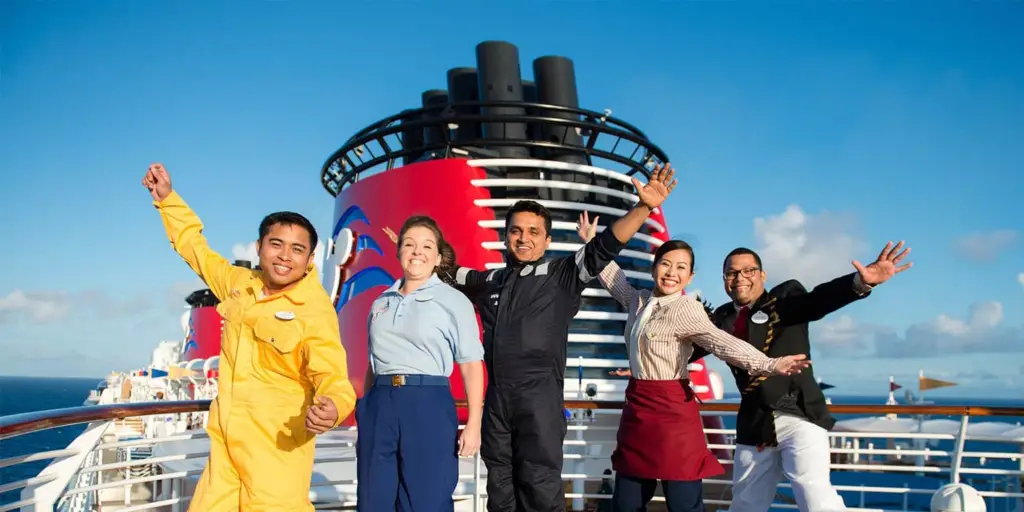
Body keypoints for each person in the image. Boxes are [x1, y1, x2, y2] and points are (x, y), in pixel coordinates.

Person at [440, 163, 678, 512]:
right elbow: (447, 273)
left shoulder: (561, 273)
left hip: (540, 400)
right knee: (500, 493)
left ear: (547, 240)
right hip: (497, 402)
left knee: (540, 489)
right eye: (516, 231)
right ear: (505, 237)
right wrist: (416, 249)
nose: (524, 238)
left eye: (533, 232)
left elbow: (604, 247)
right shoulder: (489, 280)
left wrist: (643, 207)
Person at [143, 163, 356, 511]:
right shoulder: (240, 285)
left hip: (277, 453)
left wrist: (333, 406)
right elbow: (196, 250)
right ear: (259, 247)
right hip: (225, 449)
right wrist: (167, 200)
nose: (285, 256)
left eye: (297, 249)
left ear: (309, 258)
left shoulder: (314, 310)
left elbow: (332, 374)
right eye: (276, 244)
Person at [575, 212, 811, 512]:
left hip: (673, 412)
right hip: (637, 410)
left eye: (681, 268)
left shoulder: (686, 309)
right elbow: (613, 278)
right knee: (626, 503)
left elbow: (721, 341)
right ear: (654, 267)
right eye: (665, 264)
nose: (671, 273)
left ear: (690, 277)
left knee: (683, 502)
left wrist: (768, 364)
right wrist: (592, 242)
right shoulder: (639, 301)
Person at [688, 243, 913, 512]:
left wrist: (860, 283)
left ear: (763, 275)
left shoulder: (785, 301)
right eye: (732, 273)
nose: (740, 278)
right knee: (746, 503)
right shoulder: (720, 318)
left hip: (799, 414)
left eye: (749, 271)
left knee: (814, 496)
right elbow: (688, 351)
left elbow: (818, 300)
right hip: (755, 422)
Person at [358, 215, 486, 511]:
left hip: (427, 402)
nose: (417, 251)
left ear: (438, 257)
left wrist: (474, 424)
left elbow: (470, 365)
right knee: (372, 500)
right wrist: (365, 410)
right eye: (409, 244)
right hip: (379, 404)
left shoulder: (454, 301)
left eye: (427, 246)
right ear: (398, 252)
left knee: (426, 500)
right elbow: (371, 364)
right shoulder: (380, 302)